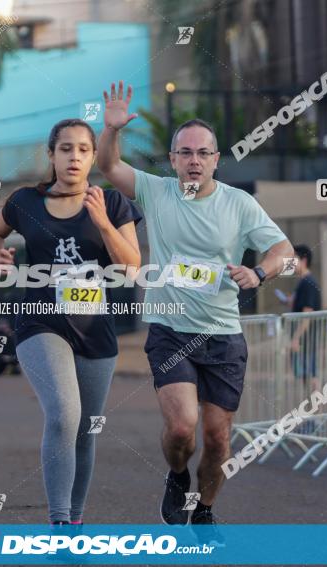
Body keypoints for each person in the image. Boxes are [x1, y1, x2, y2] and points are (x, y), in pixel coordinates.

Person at [96, 81, 293, 540]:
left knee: (219, 439)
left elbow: (287, 254)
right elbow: (107, 165)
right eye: (185, 153)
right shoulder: (157, 191)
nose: (193, 161)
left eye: (203, 153)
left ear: (216, 159)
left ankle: (204, 509)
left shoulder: (240, 204)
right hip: (170, 328)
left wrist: (259, 273)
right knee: (183, 428)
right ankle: (176, 475)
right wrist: (111, 130)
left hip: (223, 334)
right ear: (173, 159)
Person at [0, 118, 142, 528]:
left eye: (84, 150)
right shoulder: (25, 203)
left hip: (96, 331)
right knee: (64, 414)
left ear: (92, 158)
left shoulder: (113, 203)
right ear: (51, 155)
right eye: (65, 148)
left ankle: (76, 521)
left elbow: (131, 270)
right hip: (40, 324)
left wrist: (103, 222)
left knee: (86, 431)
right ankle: (58, 522)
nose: (74, 157)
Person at [289, 245, 322, 393]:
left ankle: (316, 413)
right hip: (305, 338)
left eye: (293, 258)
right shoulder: (304, 282)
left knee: (311, 376)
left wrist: (296, 337)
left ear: (303, 260)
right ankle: (311, 411)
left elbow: (307, 313)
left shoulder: (308, 282)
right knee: (307, 376)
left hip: (306, 338)